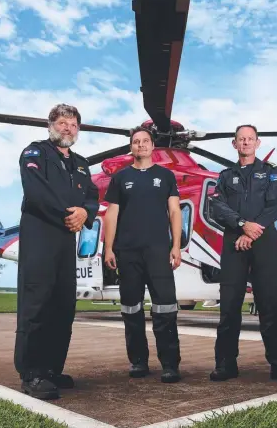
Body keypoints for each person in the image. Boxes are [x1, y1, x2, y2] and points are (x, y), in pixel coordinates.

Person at [15, 103, 100, 400]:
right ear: (51, 125)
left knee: (63, 305)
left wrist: (84, 213)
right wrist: (70, 214)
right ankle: (32, 372)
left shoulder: (81, 163)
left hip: (66, 240)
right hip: (41, 234)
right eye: (63, 123)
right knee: (36, 303)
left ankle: (51, 368)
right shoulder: (35, 152)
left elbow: (92, 195)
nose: (68, 128)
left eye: (73, 124)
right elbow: (36, 191)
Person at [208, 124, 277, 385]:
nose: (245, 143)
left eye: (250, 139)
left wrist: (250, 231)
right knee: (229, 306)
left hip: (263, 241)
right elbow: (216, 207)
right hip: (234, 241)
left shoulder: (271, 172)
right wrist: (240, 225)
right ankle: (225, 364)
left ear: (257, 143)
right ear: (234, 145)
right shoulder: (225, 176)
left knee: (270, 304)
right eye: (240, 139)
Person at [103, 126, 183, 383]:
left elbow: (174, 212)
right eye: (136, 142)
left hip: (159, 251)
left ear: (152, 146)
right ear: (131, 147)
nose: (141, 145)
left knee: (166, 308)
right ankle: (138, 361)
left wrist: (176, 246)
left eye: (145, 141)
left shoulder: (166, 176)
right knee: (131, 309)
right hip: (128, 252)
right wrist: (108, 248)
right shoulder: (120, 177)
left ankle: (170, 364)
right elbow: (111, 214)